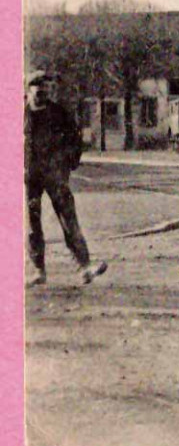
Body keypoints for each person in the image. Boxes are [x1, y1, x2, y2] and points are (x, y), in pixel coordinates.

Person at [24, 71, 105, 287]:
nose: (43, 94)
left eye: (46, 90)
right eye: (38, 90)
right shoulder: (18, 114)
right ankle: (38, 270)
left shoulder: (58, 113)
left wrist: (69, 162)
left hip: (55, 174)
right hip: (29, 177)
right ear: (28, 90)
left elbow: (74, 138)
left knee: (69, 218)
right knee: (32, 222)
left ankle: (85, 266)